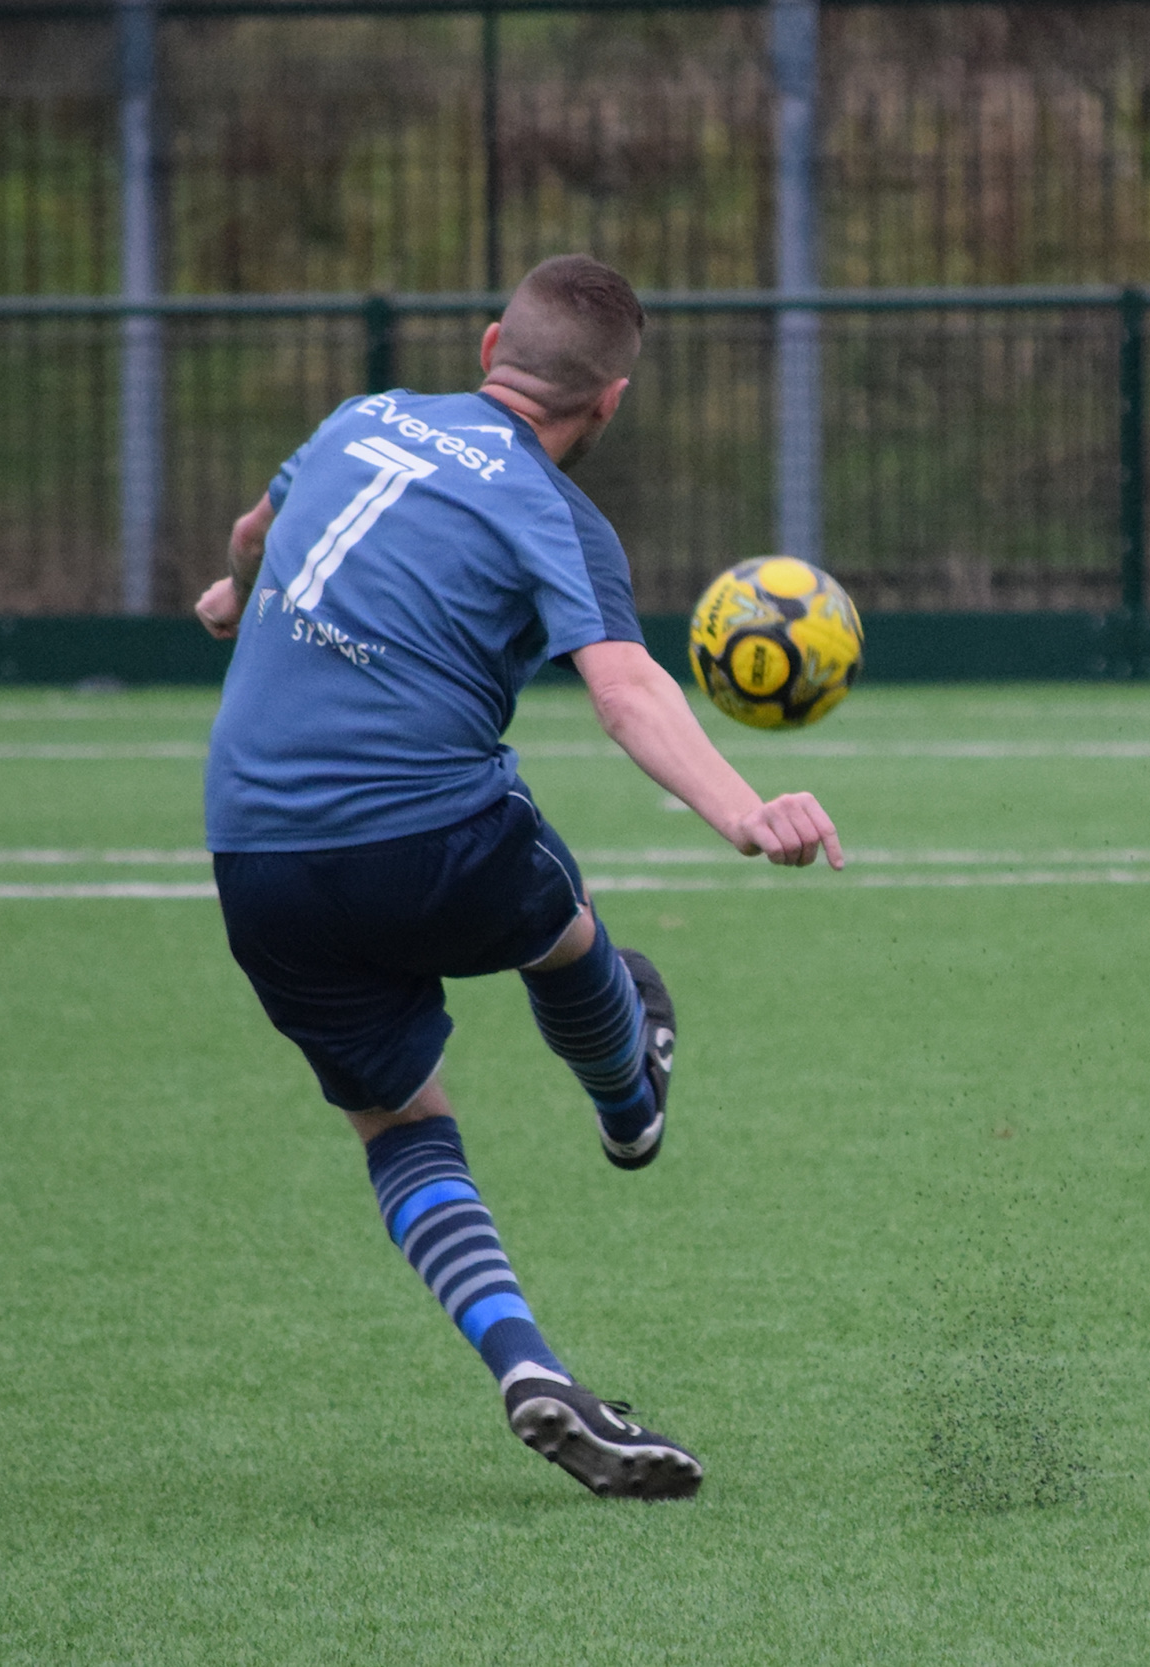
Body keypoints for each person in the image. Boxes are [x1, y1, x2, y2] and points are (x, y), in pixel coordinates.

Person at [194, 255, 844, 1500]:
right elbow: (625, 686)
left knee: (399, 1122)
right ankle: (628, 1105)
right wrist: (743, 810)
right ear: (607, 406)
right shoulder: (558, 513)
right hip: (427, 834)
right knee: (565, 932)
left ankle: (524, 1360)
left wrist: (233, 596)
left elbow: (251, 536)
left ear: (491, 340)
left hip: (255, 856)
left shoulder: (359, 417)